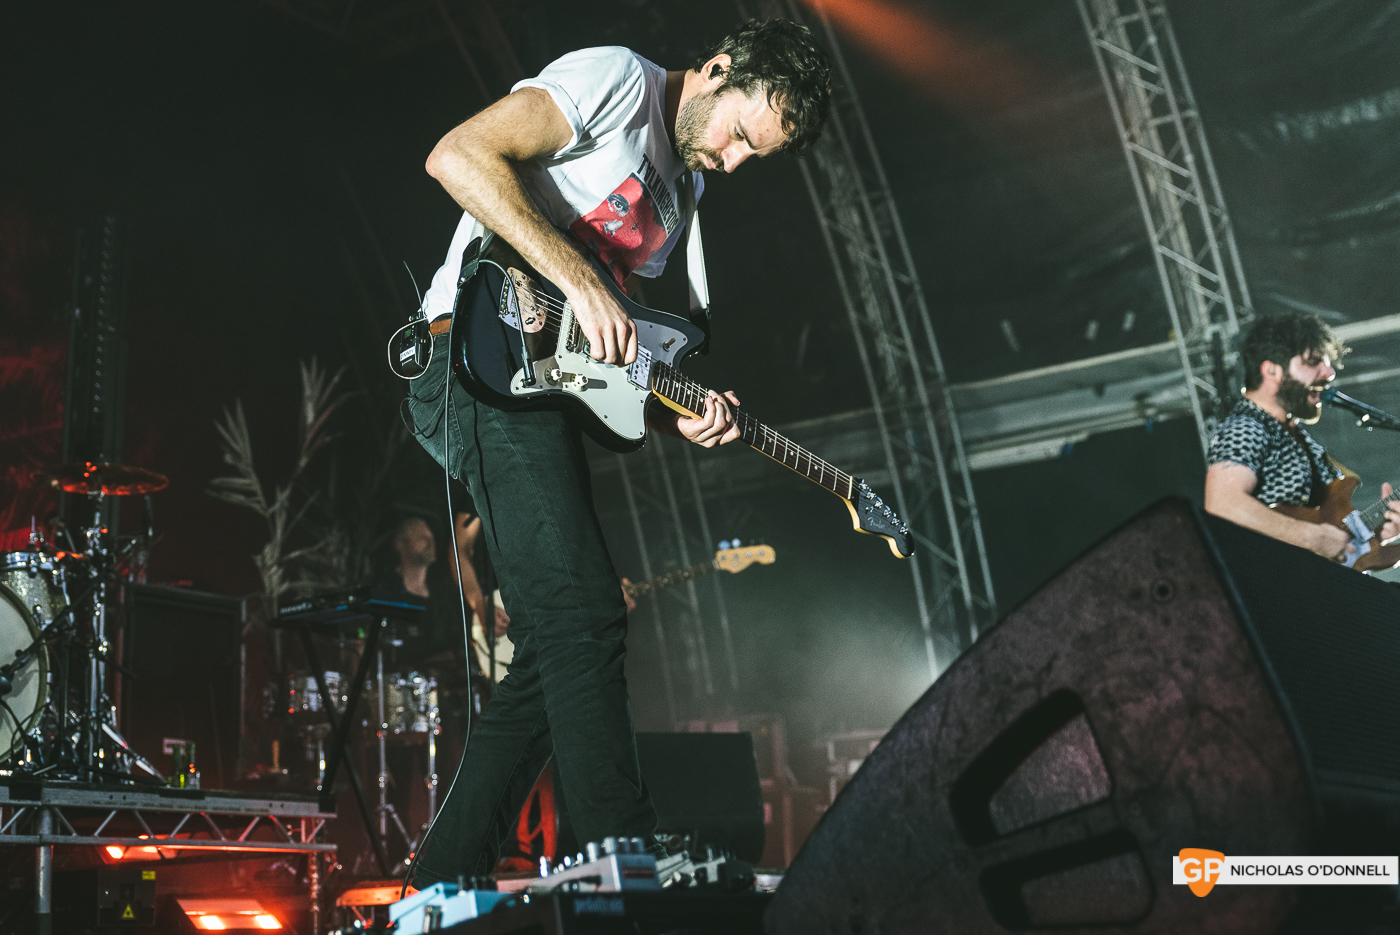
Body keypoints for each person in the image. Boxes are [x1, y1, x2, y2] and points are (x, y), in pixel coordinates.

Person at [401, 20, 831, 884]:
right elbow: (456, 156)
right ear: (717, 70)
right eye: (739, 134)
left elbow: (601, 359)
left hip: (538, 388)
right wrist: (582, 275)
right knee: (584, 613)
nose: (735, 161)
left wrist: (685, 414)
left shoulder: (685, 201)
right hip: (469, 358)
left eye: (758, 156)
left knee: (559, 645)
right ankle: (621, 855)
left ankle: (436, 880)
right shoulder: (617, 82)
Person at [1203, 312, 1400, 559]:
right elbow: (1223, 504)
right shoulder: (1246, 426)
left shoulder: (1296, 436)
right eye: (1313, 361)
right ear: (1271, 370)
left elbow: (1332, 543)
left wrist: (1379, 532)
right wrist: (1311, 537)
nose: (1329, 372)